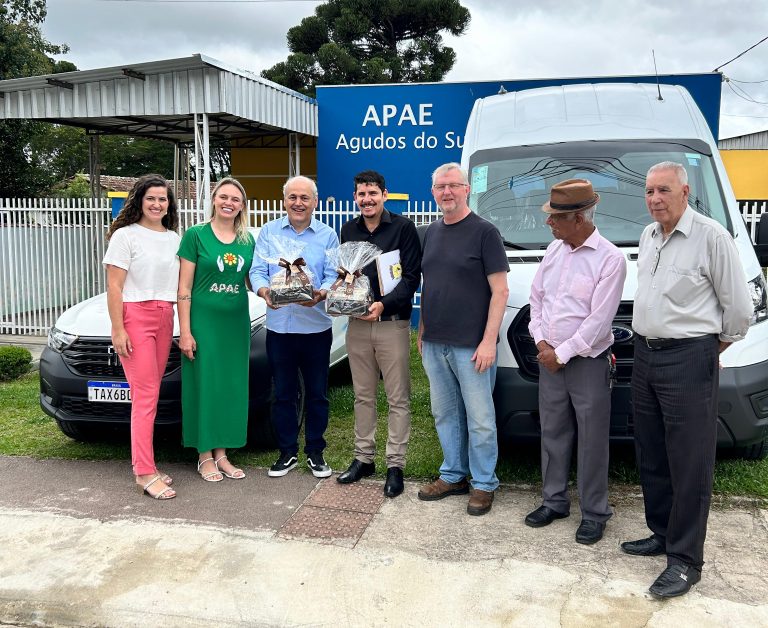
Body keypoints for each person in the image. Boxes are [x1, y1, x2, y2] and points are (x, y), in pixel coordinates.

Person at [623, 161, 752, 598]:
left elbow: (737, 312)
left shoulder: (711, 237)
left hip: (689, 357)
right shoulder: (648, 235)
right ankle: (661, 534)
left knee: (690, 462)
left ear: (684, 190)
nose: (655, 198)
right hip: (646, 355)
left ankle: (684, 561)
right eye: (649, 191)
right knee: (652, 453)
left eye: (663, 190)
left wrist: (706, 350)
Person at [524, 179, 626, 544]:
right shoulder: (554, 251)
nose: (549, 223)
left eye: (556, 218)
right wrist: (540, 339)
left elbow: (599, 321)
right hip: (549, 357)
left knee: (592, 439)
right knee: (552, 432)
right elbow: (536, 299)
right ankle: (554, 501)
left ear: (579, 218)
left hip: (586, 362)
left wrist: (561, 353)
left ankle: (595, 513)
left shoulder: (611, 259)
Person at [417, 162, 509, 515]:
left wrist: (489, 342)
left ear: (467, 189)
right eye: (441, 187)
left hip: (473, 346)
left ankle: (484, 483)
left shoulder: (485, 233)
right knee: (446, 414)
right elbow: (430, 286)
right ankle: (453, 474)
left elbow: (499, 292)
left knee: (481, 418)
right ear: (434, 192)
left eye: (454, 185)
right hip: (436, 342)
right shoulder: (430, 233)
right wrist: (423, 330)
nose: (447, 192)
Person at [335, 170, 422, 498]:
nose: (367, 199)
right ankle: (363, 458)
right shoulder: (348, 229)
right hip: (358, 326)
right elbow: (347, 275)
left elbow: (411, 278)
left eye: (373, 193)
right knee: (363, 395)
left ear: (384, 194)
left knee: (398, 397)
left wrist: (383, 305)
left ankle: (395, 465)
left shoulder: (403, 228)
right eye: (361, 194)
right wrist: (341, 296)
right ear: (355, 197)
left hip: (392, 324)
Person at [249, 175, 340, 478]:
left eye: (305, 198)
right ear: (284, 200)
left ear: (314, 201)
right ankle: (287, 452)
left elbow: (332, 274)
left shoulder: (327, 235)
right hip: (279, 328)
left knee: (317, 393)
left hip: (316, 327)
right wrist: (264, 292)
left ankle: (315, 452)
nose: (298, 203)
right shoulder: (269, 232)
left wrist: (322, 293)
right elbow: (258, 270)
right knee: (284, 394)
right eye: (293, 197)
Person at [103, 174, 180, 500]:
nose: (157, 204)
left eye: (163, 199)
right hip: (135, 317)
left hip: (165, 316)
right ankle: (144, 472)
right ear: (139, 200)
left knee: (150, 393)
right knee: (145, 396)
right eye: (151, 198)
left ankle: (147, 464)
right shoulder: (125, 236)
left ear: (168, 204)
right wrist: (118, 329)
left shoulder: (175, 238)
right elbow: (115, 286)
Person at [177, 177, 254, 483]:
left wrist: (279, 290)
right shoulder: (196, 235)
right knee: (204, 385)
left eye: (235, 199)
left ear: (242, 206)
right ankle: (204, 454)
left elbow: (253, 280)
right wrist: (185, 330)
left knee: (229, 387)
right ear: (213, 199)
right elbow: (183, 288)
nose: (228, 203)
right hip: (203, 324)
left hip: (235, 325)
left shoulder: (247, 240)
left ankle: (222, 453)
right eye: (223, 197)